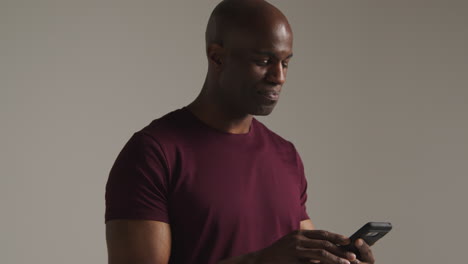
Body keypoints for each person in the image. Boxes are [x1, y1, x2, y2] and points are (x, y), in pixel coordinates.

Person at [105, 0, 376, 264]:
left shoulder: (286, 155)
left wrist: (340, 258)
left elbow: (298, 255)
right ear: (217, 57)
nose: (279, 76)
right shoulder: (153, 154)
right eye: (264, 60)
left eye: (285, 63)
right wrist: (262, 260)